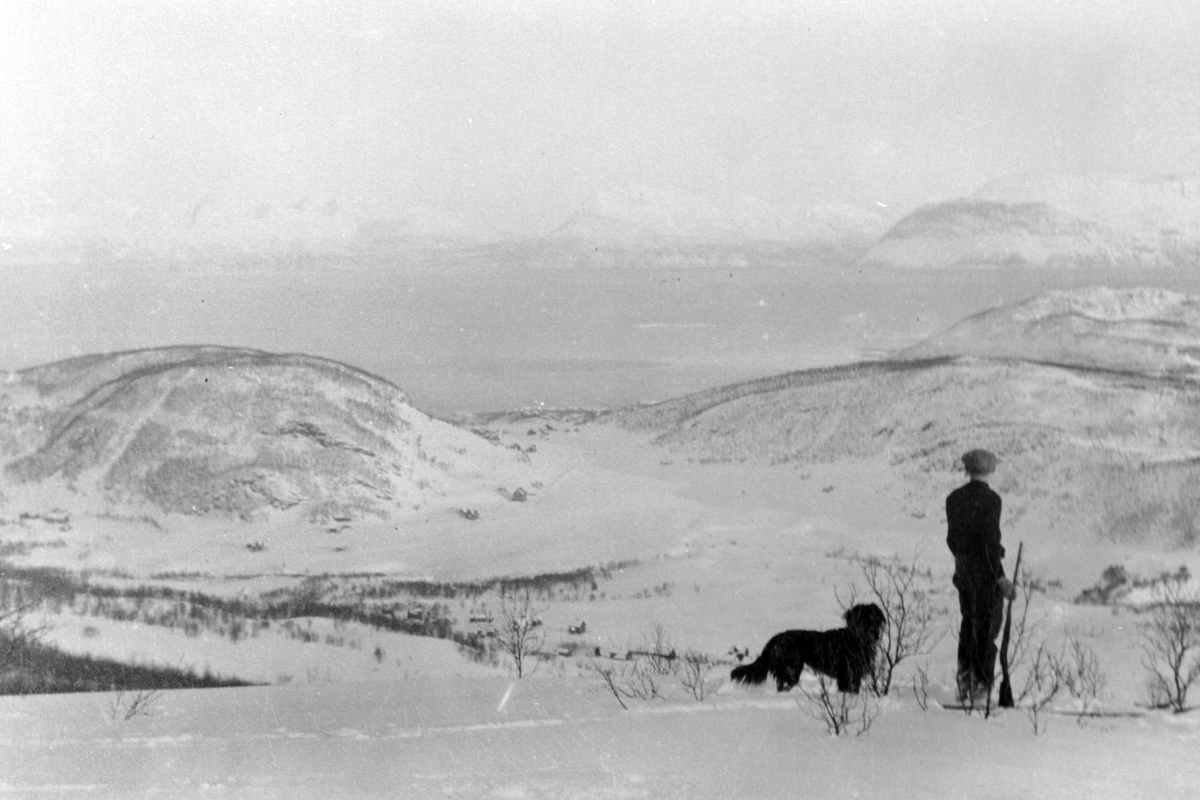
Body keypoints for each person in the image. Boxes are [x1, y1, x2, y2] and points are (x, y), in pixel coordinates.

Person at [946, 448, 1016, 704]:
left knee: (968, 625)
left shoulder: (953, 498)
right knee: (986, 630)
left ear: (968, 469)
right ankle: (981, 687)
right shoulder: (992, 500)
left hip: (963, 572)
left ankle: (964, 682)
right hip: (986, 574)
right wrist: (1000, 576)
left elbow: (954, 540)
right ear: (992, 469)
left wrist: (965, 561)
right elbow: (988, 540)